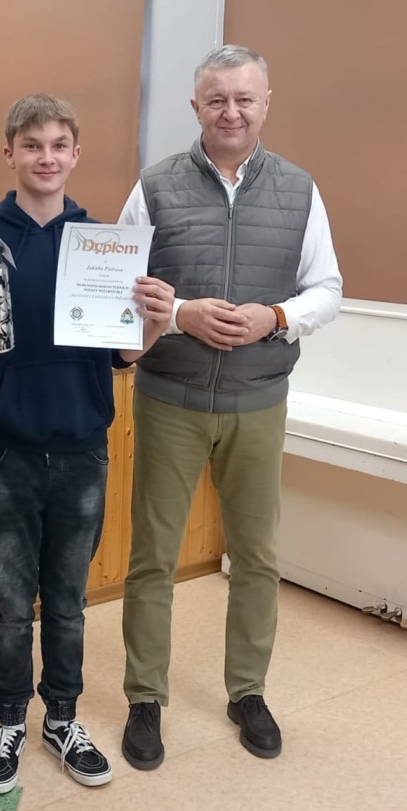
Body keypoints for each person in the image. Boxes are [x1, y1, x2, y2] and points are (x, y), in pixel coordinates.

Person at [0, 94, 174, 794]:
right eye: (32, 144)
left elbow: (122, 356)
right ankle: (9, 720)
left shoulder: (103, 244)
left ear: (75, 154)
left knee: (67, 600)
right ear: (9, 151)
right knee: (13, 603)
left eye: (58, 145)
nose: (46, 157)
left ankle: (62, 719)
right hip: (4, 451)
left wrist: (155, 324)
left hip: (81, 451)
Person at [117, 45, 342, 770]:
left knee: (256, 558)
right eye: (217, 99)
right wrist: (181, 312)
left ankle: (248, 691)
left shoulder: (301, 190)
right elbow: (120, 290)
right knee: (152, 558)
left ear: (266, 103)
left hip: (258, 402)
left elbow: (327, 289)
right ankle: (145, 697)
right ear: (196, 107)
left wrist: (274, 317)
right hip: (169, 400)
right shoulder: (153, 187)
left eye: (244, 98)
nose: (231, 112)